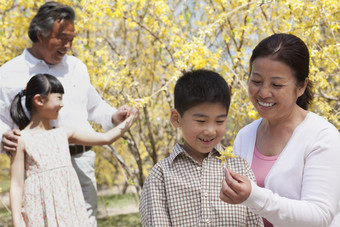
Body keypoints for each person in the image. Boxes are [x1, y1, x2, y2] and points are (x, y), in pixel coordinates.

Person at [0, 2, 133, 226]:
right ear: (40, 34)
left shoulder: (77, 68)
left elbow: (94, 107)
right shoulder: (8, 73)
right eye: (61, 37)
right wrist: (3, 135)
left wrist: (114, 116)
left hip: (80, 162)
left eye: (71, 38)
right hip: (36, 170)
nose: (68, 45)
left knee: (85, 221)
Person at [220, 33, 340, 227]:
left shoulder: (322, 137)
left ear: (301, 86)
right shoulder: (245, 136)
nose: (264, 92)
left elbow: (319, 216)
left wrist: (254, 196)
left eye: (276, 85)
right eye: (256, 81)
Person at [9, 73, 139, 226]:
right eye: (59, 98)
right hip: (39, 212)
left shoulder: (64, 133)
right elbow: (16, 185)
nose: (62, 104)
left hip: (69, 209)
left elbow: (106, 138)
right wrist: (17, 222)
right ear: (39, 100)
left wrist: (129, 121)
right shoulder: (21, 140)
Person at [139, 69, 264, 226]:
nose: (210, 130)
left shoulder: (240, 169)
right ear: (176, 119)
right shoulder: (161, 175)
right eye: (201, 121)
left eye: (219, 121)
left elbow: (255, 221)